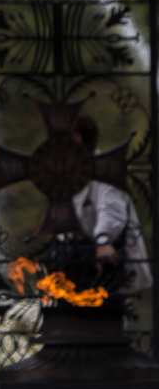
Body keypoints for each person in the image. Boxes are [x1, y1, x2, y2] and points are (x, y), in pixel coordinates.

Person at [70, 115, 152, 295]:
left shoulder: (105, 171)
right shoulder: (75, 174)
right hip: (81, 271)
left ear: (77, 138)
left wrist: (104, 240)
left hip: (108, 270)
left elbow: (111, 208)